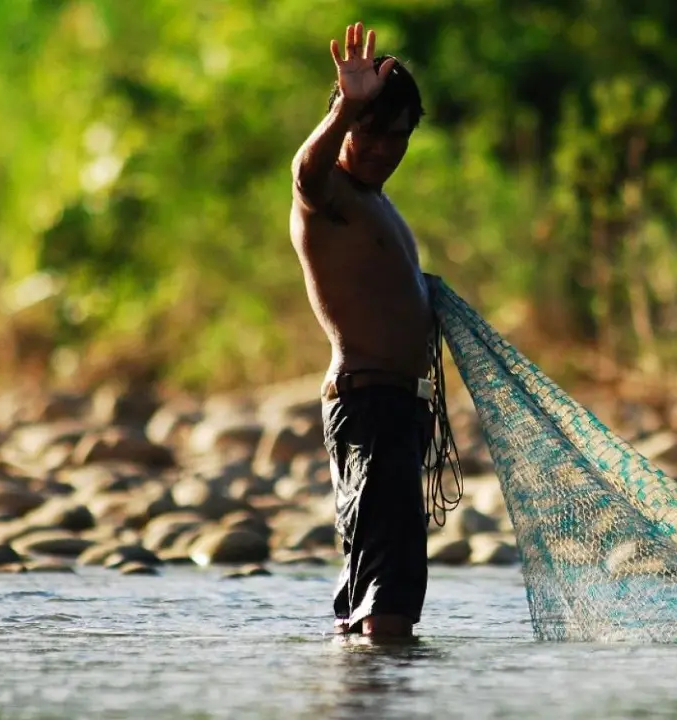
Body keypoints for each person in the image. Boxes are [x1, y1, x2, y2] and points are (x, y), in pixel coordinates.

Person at [289, 21, 461, 640]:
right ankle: (380, 687)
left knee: (380, 584)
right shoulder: (329, 195)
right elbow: (304, 171)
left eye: (399, 135)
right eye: (372, 131)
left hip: (395, 410)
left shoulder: (378, 204)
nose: (385, 148)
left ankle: (369, 684)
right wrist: (345, 109)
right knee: (389, 599)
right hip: (369, 405)